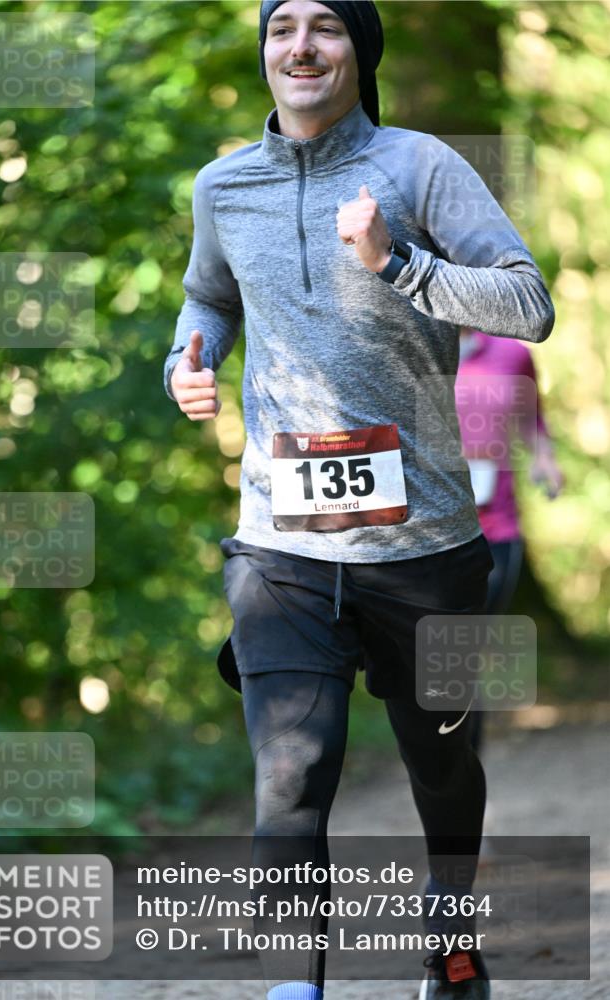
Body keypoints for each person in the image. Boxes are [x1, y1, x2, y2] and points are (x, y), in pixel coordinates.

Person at [164, 3, 555, 998]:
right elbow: (209, 294)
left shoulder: (421, 168)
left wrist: (398, 263)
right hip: (280, 552)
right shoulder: (223, 187)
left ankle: (451, 952)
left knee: (443, 770)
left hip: (424, 547)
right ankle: (296, 985)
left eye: (324, 27)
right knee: (289, 778)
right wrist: (189, 353)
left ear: (359, 50)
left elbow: (527, 303)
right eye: (280, 26)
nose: (299, 45)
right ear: (264, 50)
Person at [456, 326, 564, 753]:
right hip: (428, 531)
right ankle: (448, 765)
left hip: (496, 526)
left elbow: (532, 418)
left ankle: (461, 767)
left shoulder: (510, 354)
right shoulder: (409, 342)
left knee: (463, 644)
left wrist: (545, 458)